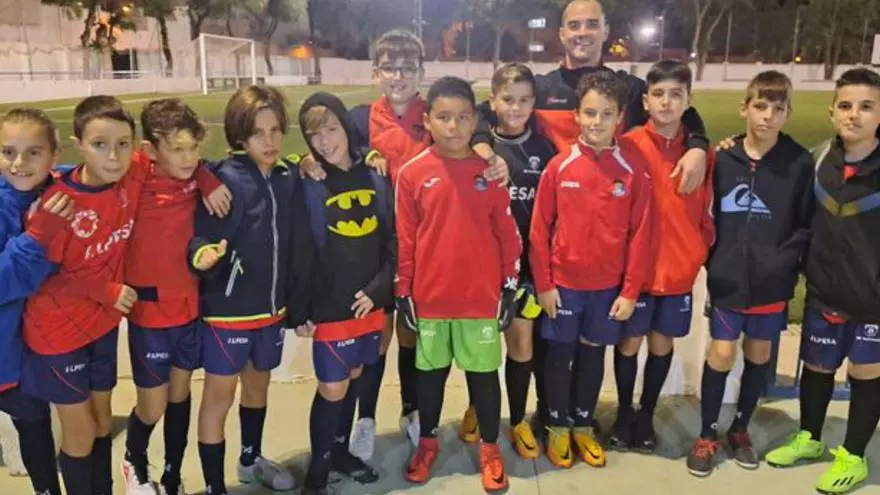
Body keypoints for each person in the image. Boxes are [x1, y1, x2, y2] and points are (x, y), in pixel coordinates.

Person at [299, 30, 509, 456]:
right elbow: (330, 146)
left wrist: (489, 151)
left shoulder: (432, 113)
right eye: (390, 68)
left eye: (407, 68)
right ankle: (366, 418)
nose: (398, 76)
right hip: (372, 245)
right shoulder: (360, 118)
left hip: (423, 242)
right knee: (376, 336)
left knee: (410, 334)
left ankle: (412, 411)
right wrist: (306, 160)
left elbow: (476, 127)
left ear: (421, 72)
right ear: (376, 72)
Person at [395, 76, 521, 493]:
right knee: (430, 377)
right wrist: (403, 291)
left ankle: (490, 449)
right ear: (428, 120)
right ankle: (427, 443)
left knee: (483, 378)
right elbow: (406, 238)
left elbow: (507, 233)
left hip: (479, 299)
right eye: (444, 117)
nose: (453, 126)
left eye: (463, 117)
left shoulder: (490, 172)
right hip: (431, 299)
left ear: (475, 121)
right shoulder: (413, 173)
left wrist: (509, 285)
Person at [687, 71, 815, 478]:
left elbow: (805, 223)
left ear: (788, 114)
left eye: (778, 108)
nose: (767, 116)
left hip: (772, 281)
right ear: (745, 108)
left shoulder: (799, 162)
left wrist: (784, 261)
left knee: (758, 353)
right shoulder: (723, 158)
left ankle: (740, 429)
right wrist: (712, 258)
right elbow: (705, 213)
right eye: (760, 106)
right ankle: (706, 433)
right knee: (723, 352)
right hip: (728, 278)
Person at [20, 95, 146, 495]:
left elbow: (182, 159)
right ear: (78, 145)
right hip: (57, 333)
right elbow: (40, 279)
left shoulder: (130, 177)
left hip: (102, 324)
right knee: (82, 429)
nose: (113, 156)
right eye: (100, 144)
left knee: (103, 422)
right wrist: (105, 290)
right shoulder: (58, 204)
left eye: (123, 144)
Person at [764, 67, 880, 495]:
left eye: (867, 107)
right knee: (817, 367)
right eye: (845, 106)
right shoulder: (813, 162)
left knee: (866, 373)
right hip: (824, 292)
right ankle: (810, 438)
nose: (854, 115)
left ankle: (853, 455)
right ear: (832, 112)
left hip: (873, 300)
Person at [530, 70, 653, 470]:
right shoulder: (559, 166)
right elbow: (538, 232)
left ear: (620, 117)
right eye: (590, 113)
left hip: (607, 289)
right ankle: (557, 424)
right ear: (577, 115)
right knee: (559, 355)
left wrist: (630, 291)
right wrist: (545, 285)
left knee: (592, 354)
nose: (597, 121)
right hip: (563, 286)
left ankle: (583, 423)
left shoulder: (632, 170)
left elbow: (640, 234)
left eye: (607, 113)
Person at [188, 85, 298, 495]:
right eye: (257, 133)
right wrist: (201, 256)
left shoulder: (285, 175)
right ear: (239, 136)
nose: (269, 141)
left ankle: (251, 460)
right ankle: (215, 486)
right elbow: (199, 239)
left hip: (271, 312)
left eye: (275, 131)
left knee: (257, 387)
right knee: (219, 398)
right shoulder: (223, 180)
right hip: (227, 314)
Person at [121, 98, 231, 495]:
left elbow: (209, 167)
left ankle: (171, 474)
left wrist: (205, 177)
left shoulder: (194, 176)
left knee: (181, 395)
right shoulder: (133, 175)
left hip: (188, 310)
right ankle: (133, 460)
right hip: (149, 315)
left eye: (193, 148)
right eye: (176, 149)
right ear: (150, 150)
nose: (188, 157)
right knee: (153, 405)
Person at [288, 92, 394, 495]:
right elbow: (302, 250)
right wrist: (300, 309)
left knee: (353, 378)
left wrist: (379, 289)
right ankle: (318, 470)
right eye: (314, 135)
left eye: (332, 129)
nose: (325, 141)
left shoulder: (374, 173)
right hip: (331, 304)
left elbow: (390, 239)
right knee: (332, 386)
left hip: (368, 303)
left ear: (346, 127)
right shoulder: (310, 180)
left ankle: (339, 451)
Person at [609, 60, 715, 453]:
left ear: (688, 101)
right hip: (636, 270)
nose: (666, 103)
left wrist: (696, 251)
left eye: (675, 95)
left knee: (661, 343)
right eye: (658, 94)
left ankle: (646, 415)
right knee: (628, 342)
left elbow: (708, 213)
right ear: (645, 101)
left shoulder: (702, 155)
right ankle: (623, 412)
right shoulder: (628, 145)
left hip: (677, 271)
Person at [456, 63, 554, 461]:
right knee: (480, 347)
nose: (516, 108)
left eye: (524, 100)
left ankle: (516, 420)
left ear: (534, 103)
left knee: (521, 344)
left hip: (524, 269)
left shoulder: (544, 151)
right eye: (508, 100)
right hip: (480, 267)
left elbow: (549, 216)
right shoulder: (473, 149)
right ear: (492, 101)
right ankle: (477, 406)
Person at [0, 107, 70, 495]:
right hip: (4, 355)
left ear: (53, 156)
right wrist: (37, 237)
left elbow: (106, 174)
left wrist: (209, 176)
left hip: (27, 352)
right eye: (8, 152)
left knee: (34, 422)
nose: (19, 163)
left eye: (33, 152)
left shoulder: (56, 191)